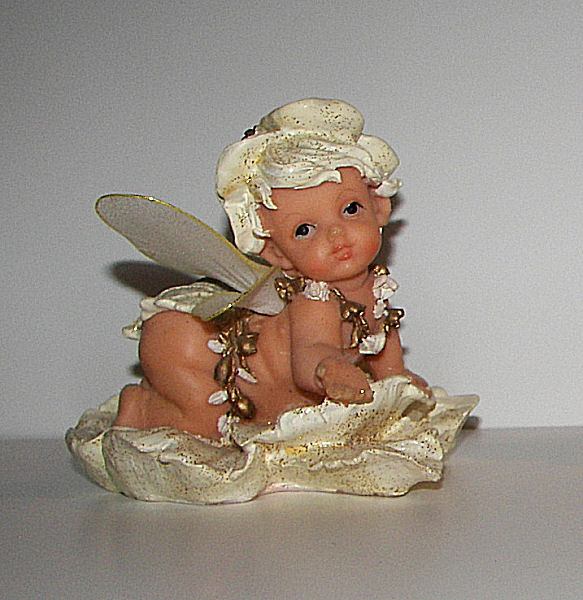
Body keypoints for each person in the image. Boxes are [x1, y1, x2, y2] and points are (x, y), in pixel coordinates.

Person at [113, 98, 428, 439]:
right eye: (304, 230)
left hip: (277, 385)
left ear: (379, 207)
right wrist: (328, 370)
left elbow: (380, 335)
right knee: (204, 426)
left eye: (350, 209)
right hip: (204, 355)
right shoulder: (315, 300)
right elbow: (309, 353)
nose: (336, 235)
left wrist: (395, 376)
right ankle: (143, 406)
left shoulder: (373, 287)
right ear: (277, 252)